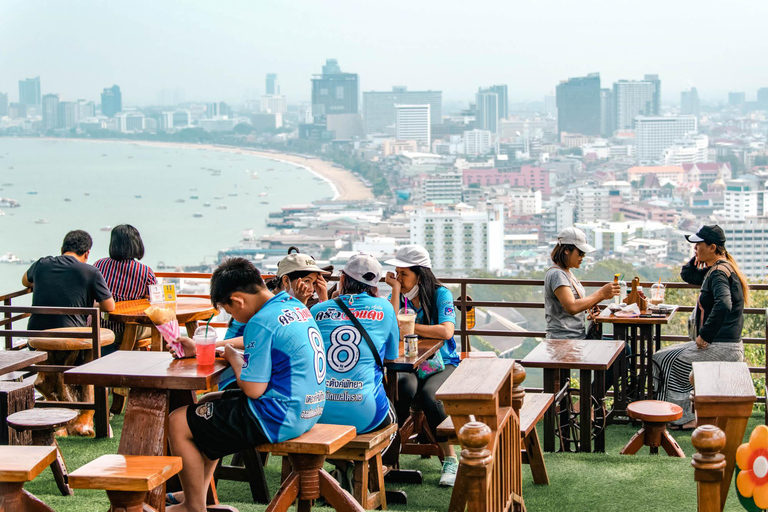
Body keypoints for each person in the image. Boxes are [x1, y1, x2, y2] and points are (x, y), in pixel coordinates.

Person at [166, 258, 326, 512]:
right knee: (208, 404)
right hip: (309, 409)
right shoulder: (291, 305)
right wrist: (212, 347)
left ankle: (193, 507)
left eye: (229, 311)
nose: (233, 316)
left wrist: (231, 357)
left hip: (279, 416)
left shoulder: (260, 322)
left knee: (177, 421)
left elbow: (253, 389)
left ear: (238, 300)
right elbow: (260, 339)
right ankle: (194, 495)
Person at [311, 253, 399, 487]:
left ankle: (342, 465)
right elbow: (391, 356)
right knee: (393, 421)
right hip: (364, 413)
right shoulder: (385, 309)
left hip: (318, 411)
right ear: (374, 284)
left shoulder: (318, 310)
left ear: (343, 279)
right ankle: (363, 468)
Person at [653, 225, 747, 428]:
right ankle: (673, 413)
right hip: (723, 345)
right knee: (662, 355)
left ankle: (679, 417)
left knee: (663, 360)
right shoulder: (716, 269)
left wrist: (705, 336)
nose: (694, 248)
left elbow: (724, 304)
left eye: (698, 245)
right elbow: (688, 275)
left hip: (721, 347)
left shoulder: (718, 273)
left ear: (712, 247)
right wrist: (697, 257)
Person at [384, 245, 460, 487]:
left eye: (403, 274)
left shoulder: (440, 294)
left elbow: (446, 331)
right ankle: (389, 456)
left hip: (442, 363)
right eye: (396, 273)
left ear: (420, 273)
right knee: (402, 388)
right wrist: (396, 291)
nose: (399, 279)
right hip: (410, 365)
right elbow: (389, 326)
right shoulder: (398, 296)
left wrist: (410, 326)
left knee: (430, 396)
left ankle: (450, 459)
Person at [23, 229, 115, 330]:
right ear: (87, 253)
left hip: (36, 336)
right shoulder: (90, 271)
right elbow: (109, 306)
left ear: (62, 250)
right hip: (71, 338)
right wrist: (89, 303)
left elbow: (25, 281)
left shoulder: (41, 263)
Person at [544, 227, 620, 339]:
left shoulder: (566, 273)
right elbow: (572, 307)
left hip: (576, 336)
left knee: (623, 347)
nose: (582, 257)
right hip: (565, 339)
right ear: (567, 250)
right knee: (623, 348)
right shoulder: (557, 274)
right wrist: (601, 294)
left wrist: (598, 298)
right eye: (580, 253)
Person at [94, 224, 157, 354]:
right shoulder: (145, 272)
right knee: (159, 327)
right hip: (128, 329)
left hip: (101, 327)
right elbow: (155, 299)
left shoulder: (99, 265)